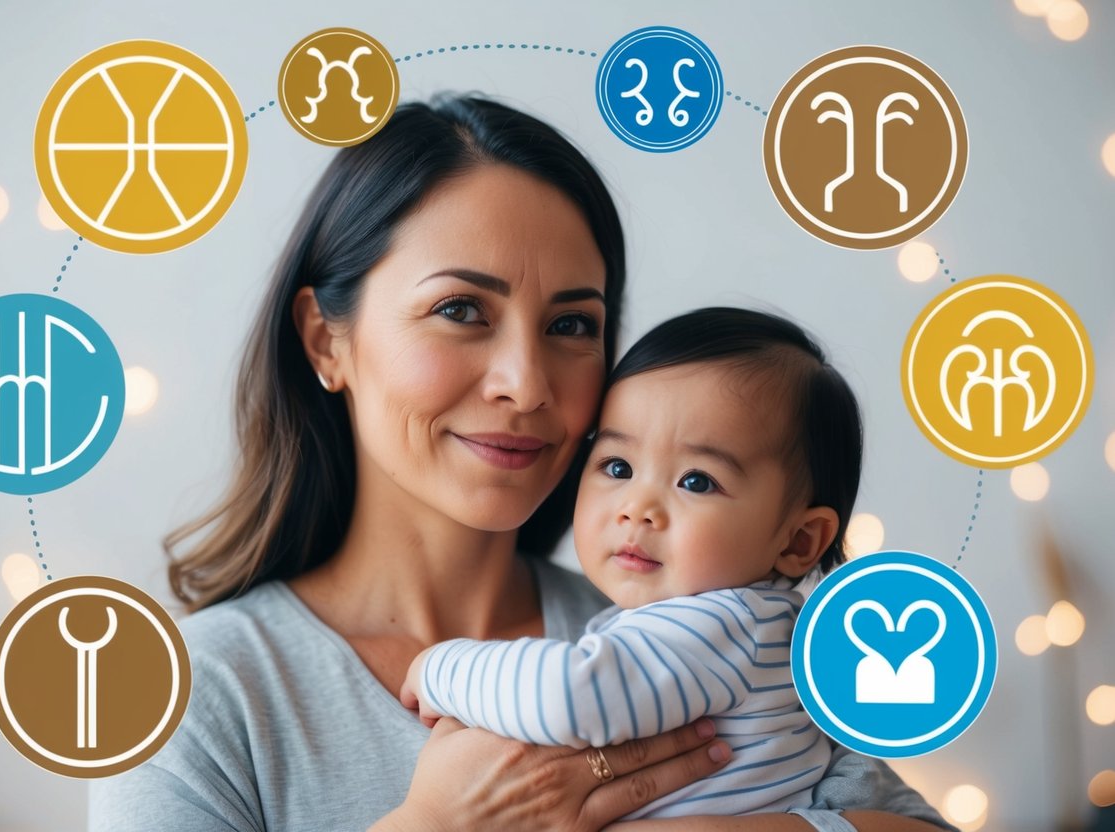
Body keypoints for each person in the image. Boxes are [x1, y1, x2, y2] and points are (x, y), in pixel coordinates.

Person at [88, 95, 956, 832]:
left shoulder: (681, 617)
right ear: (327, 339)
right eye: (462, 309)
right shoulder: (196, 697)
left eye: (572, 325)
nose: (526, 383)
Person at [401, 307, 861, 820]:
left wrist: (440, 667)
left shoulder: (727, 626)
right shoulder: (772, 634)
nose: (635, 507)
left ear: (799, 541)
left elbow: (566, 698)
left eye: (696, 481)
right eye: (617, 467)